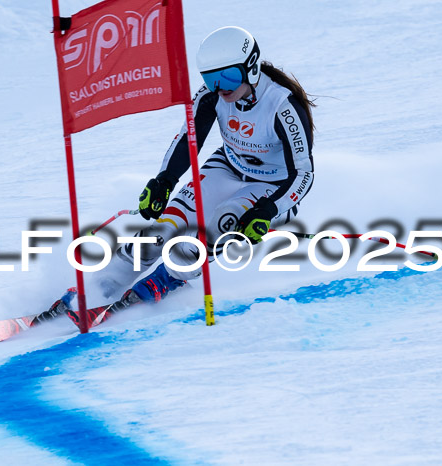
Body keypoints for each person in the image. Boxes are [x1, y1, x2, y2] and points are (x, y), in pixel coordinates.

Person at [90, 25, 316, 317]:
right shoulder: (210, 97)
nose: (221, 87)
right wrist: (164, 181)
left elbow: (303, 173)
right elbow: (188, 139)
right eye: (211, 78)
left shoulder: (282, 106)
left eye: (229, 77)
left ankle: (168, 280)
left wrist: (268, 209)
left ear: (251, 67)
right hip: (229, 165)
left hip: (275, 185)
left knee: (223, 220)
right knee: (164, 228)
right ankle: (103, 284)